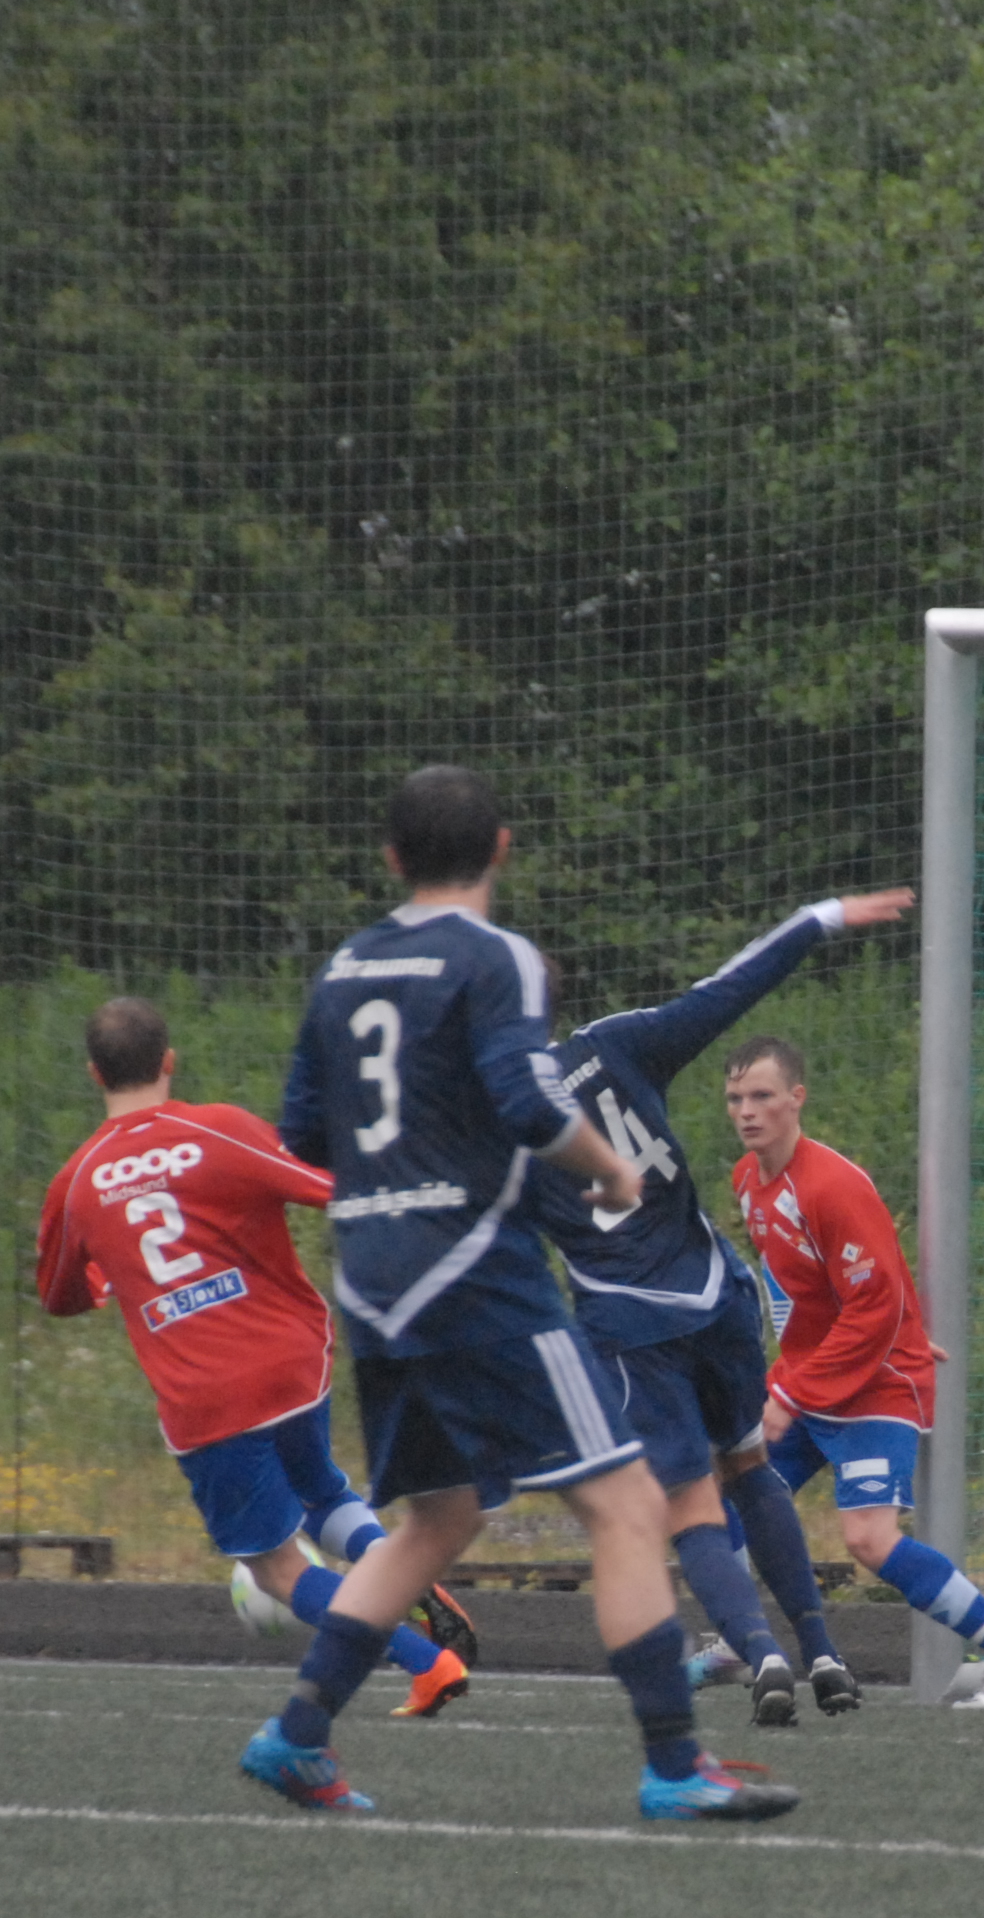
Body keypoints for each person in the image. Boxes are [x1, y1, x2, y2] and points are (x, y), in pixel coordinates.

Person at [240, 765, 797, 1824]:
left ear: (391, 858)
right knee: (628, 1505)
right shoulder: (493, 956)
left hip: (373, 1285)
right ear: (500, 847)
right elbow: (524, 1103)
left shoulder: (344, 967)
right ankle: (675, 1763)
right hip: (475, 1279)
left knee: (436, 1519)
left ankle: (296, 1737)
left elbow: (304, 1133)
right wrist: (609, 1170)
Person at [529, 889, 915, 1729]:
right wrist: (819, 918)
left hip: (633, 1329)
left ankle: (760, 1650)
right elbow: (727, 991)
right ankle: (824, 1653)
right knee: (749, 1465)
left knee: (690, 1504)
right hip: (718, 1299)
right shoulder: (613, 1044)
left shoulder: (490, 1122)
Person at [33, 997, 471, 1713]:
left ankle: (427, 1663)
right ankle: (397, 1569)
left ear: (93, 1073)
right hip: (292, 1362)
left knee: (277, 1570)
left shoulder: (78, 1180)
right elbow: (330, 1190)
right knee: (321, 1492)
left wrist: (105, 1277)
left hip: (207, 1397)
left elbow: (58, 1293)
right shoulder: (221, 1130)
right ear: (168, 1061)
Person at [721, 1033, 984, 1710]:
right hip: (813, 1378)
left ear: (797, 1098)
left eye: (762, 1096)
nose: (747, 1111)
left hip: (876, 1381)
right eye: (735, 1098)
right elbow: (829, 1289)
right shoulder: (747, 1181)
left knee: (869, 1540)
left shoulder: (833, 1186)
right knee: (724, 1502)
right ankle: (742, 1640)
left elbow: (873, 1303)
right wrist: (798, 1375)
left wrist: (800, 1386)